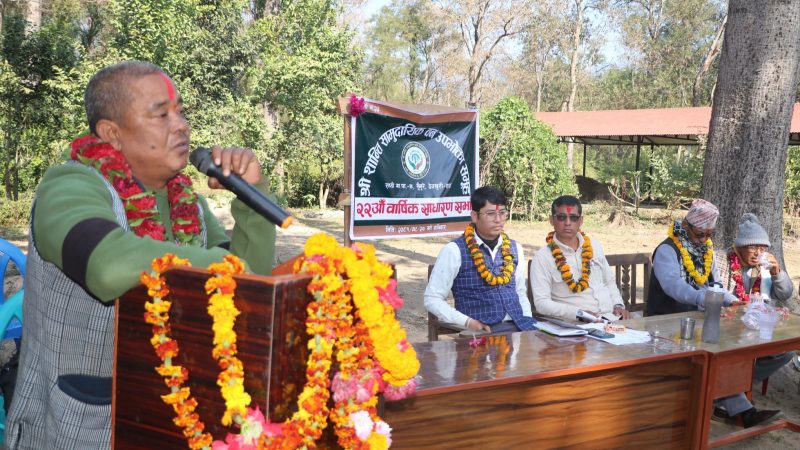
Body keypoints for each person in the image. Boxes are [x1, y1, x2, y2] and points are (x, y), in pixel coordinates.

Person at [6, 61, 276, 449]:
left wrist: (254, 198)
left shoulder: (189, 204)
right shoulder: (68, 185)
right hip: (81, 422)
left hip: (172, 418)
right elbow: (108, 265)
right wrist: (226, 267)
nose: (181, 124)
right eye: (161, 114)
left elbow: (249, 288)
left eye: (180, 111)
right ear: (112, 133)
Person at [648, 200, 780, 428]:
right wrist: (704, 300)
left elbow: (716, 284)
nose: (705, 239)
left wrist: (734, 301)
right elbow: (674, 286)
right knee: (717, 348)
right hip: (666, 320)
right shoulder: (667, 250)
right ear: (687, 226)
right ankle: (738, 410)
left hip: (699, 318)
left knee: (727, 346)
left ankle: (735, 408)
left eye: (710, 234)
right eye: (700, 234)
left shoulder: (706, 249)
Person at [424, 186, 536, 334]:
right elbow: (432, 299)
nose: (498, 220)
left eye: (502, 213)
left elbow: (520, 292)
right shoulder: (454, 250)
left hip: (520, 326)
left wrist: (527, 318)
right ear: (475, 216)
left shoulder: (515, 248)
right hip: (482, 331)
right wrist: (467, 322)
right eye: (491, 214)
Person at [531, 195, 630, 323]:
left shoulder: (594, 246)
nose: (567, 223)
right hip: (575, 326)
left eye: (573, 218)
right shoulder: (543, 257)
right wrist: (578, 313)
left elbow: (609, 282)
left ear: (581, 221)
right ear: (551, 220)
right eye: (561, 217)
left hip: (611, 319)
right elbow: (541, 303)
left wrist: (618, 306)